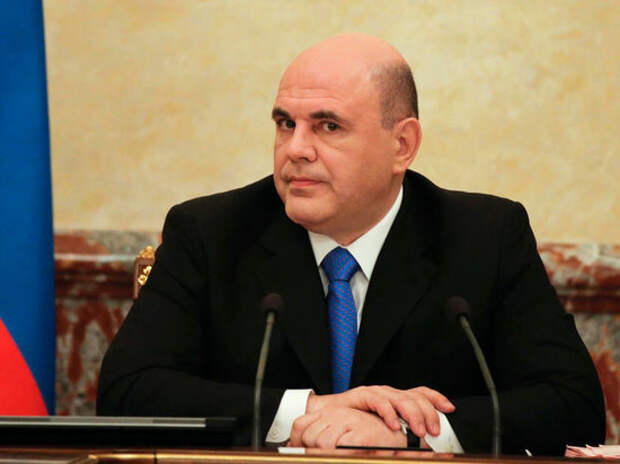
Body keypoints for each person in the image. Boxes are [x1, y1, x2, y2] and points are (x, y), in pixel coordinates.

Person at [97, 34, 605, 455]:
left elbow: (573, 405)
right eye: (285, 124)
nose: (296, 149)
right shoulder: (210, 232)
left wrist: (409, 432)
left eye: (328, 126)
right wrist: (308, 410)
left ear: (402, 145)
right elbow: (126, 393)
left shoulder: (484, 236)